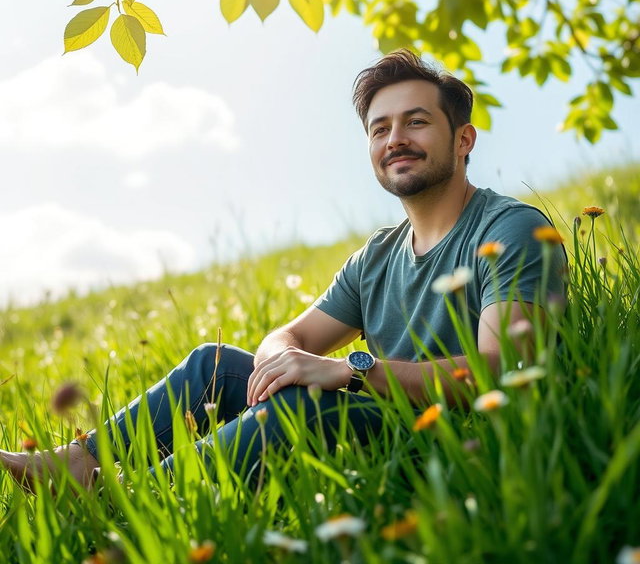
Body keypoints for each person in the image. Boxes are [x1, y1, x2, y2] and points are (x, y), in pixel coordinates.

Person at [0, 49, 566, 490]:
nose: (395, 139)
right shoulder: (376, 256)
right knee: (213, 365)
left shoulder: (508, 229)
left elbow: (504, 367)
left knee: (304, 400)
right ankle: (76, 464)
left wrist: (349, 372)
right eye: (379, 128)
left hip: (450, 440)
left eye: (415, 122)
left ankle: (136, 500)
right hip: (378, 412)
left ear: (462, 139)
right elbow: (289, 337)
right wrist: (286, 365)